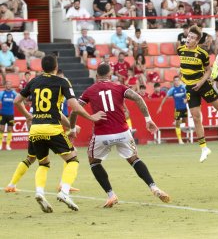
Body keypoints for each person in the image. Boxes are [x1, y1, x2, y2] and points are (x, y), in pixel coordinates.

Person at [14, 55, 106, 213]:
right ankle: (64, 192)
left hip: (35, 129)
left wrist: (29, 116)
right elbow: (75, 107)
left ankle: (40, 192)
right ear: (56, 66)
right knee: (73, 160)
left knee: (43, 163)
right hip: (52, 129)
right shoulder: (62, 82)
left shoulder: (34, 81)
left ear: (42, 67)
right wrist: (91, 117)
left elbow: (17, 101)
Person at [70, 63, 169, 208]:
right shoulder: (119, 87)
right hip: (123, 132)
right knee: (134, 159)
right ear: (110, 76)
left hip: (102, 135)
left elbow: (74, 110)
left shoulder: (90, 90)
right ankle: (154, 187)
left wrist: (72, 128)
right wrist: (148, 119)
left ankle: (111, 195)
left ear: (97, 77)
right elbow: (138, 98)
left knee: (94, 162)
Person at [177, 25, 218, 162]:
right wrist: (182, 77)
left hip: (203, 85)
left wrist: (200, 83)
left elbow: (208, 70)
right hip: (190, 88)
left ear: (197, 41)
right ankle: (204, 148)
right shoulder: (180, 50)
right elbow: (182, 67)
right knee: (196, 118)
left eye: (192, 37)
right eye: (188, 36)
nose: (188, 39)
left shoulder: (202, 54)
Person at [157, 76, 187, 144]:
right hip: (177, 109)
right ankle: (180, 140)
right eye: (175, 80)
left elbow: (189, 94)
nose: (176, 81)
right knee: (178, 124)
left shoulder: (184, 87)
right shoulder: (172, 90)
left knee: (185, 121)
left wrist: (187, 99)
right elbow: (165, 98)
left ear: (179, 81)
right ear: (173, 82)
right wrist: (160, 106)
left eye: (177, 80)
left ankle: (176, 122)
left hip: (184, 108)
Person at [0, 81, 17, 150]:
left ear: (11, 85)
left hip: (11, 114)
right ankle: (0, 145)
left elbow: (19, 100)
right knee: (1, 129)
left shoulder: (14, 93)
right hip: (2, 114)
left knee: (10, 129)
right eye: (7, 84)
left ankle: (8, 145)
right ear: (5, 85)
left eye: (10, 84)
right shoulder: (2, 93)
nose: (9, 85)